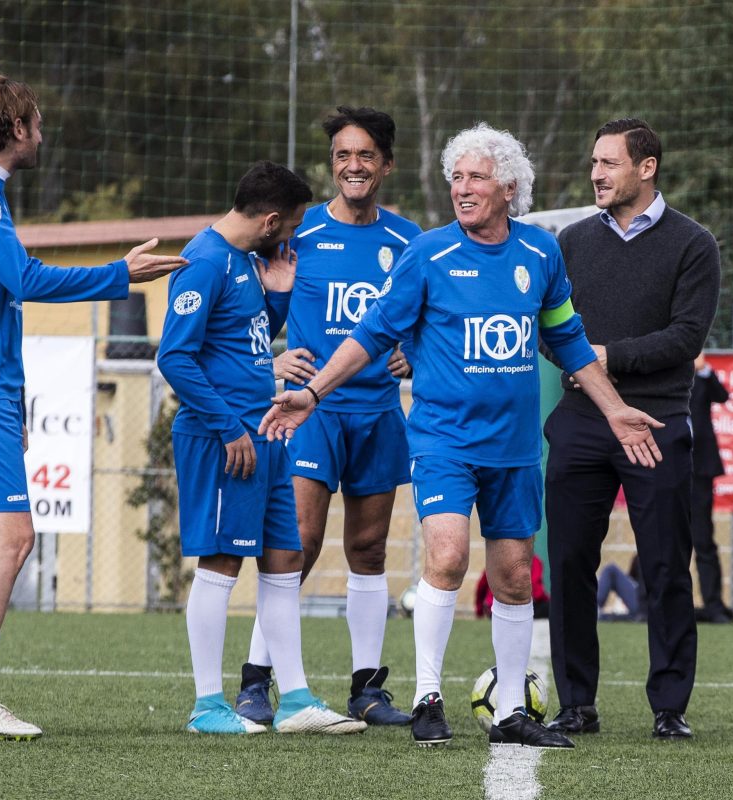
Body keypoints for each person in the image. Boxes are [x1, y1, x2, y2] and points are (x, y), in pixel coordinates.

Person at [258, 123, 664, 749]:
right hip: (443, 440)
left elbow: (568, 339)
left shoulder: (540, 254)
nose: (462, 188)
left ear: (509, 186)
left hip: (515, 447)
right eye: (456, 177)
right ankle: (427, 698)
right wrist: (313, 393)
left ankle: (509, 711)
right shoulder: (428, 253)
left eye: (476, 177)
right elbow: (370, 334)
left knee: (513, 576)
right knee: (446, 558)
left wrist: (613, 409)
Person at [0, 75, 188, 741]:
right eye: (36, 124)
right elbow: (25, 278)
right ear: (15, 129)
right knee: (11, 537)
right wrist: (118, 276)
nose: (42, 135)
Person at [157, 161, 366, 735]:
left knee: (285, 559)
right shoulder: (202, 261)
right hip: (225, 439)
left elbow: (241, 346)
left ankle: (295, 699)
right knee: (222, 563)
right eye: (293, 224)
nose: (295, 235)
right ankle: (207, 706)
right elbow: (174, 356)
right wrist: (227, 427)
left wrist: (276, 301)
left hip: (265, 432)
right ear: (271, 219)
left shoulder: (248, 262)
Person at [234, 107, 421, 727]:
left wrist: (411, 355)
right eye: (343, 155)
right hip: (310, 412)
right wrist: (272, 358)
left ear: (386, 164)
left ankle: (366, 688)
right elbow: (248, 313)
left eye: (365, 155)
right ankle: (257, 682)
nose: (353, 166)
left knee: (368, 548)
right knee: (300, 543)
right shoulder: (298, 233)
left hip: (376, 413)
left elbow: (429, 320)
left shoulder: (407, 241)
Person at [544, 118, 720, 741]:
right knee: (566, 563)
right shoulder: (569, 242)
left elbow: (685, 338)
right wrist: (589, 374)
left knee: (668, 565)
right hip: (581, 422)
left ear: (646, 168)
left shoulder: (693, 244)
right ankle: (576, 703)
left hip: (659, 422)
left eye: (609, 163)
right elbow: (548, 329)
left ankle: (669, 706)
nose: (595, 173)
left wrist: (603, 358)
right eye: (593, 161)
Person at [690, 352, 733, 623]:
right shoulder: (663, 371)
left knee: (703, 539)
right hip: (663, 463)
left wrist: (703, 369)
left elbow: (722, 396)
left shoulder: (702, 377)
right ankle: (651, 604)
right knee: (661, 537)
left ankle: (714, 604)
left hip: (700, 469)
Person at [596, 555, 645, 621]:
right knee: (611, 570)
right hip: (642, 598)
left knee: (611, 570)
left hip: (645, 604)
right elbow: (633, 574)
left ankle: (593, 609)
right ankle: (595, 608)